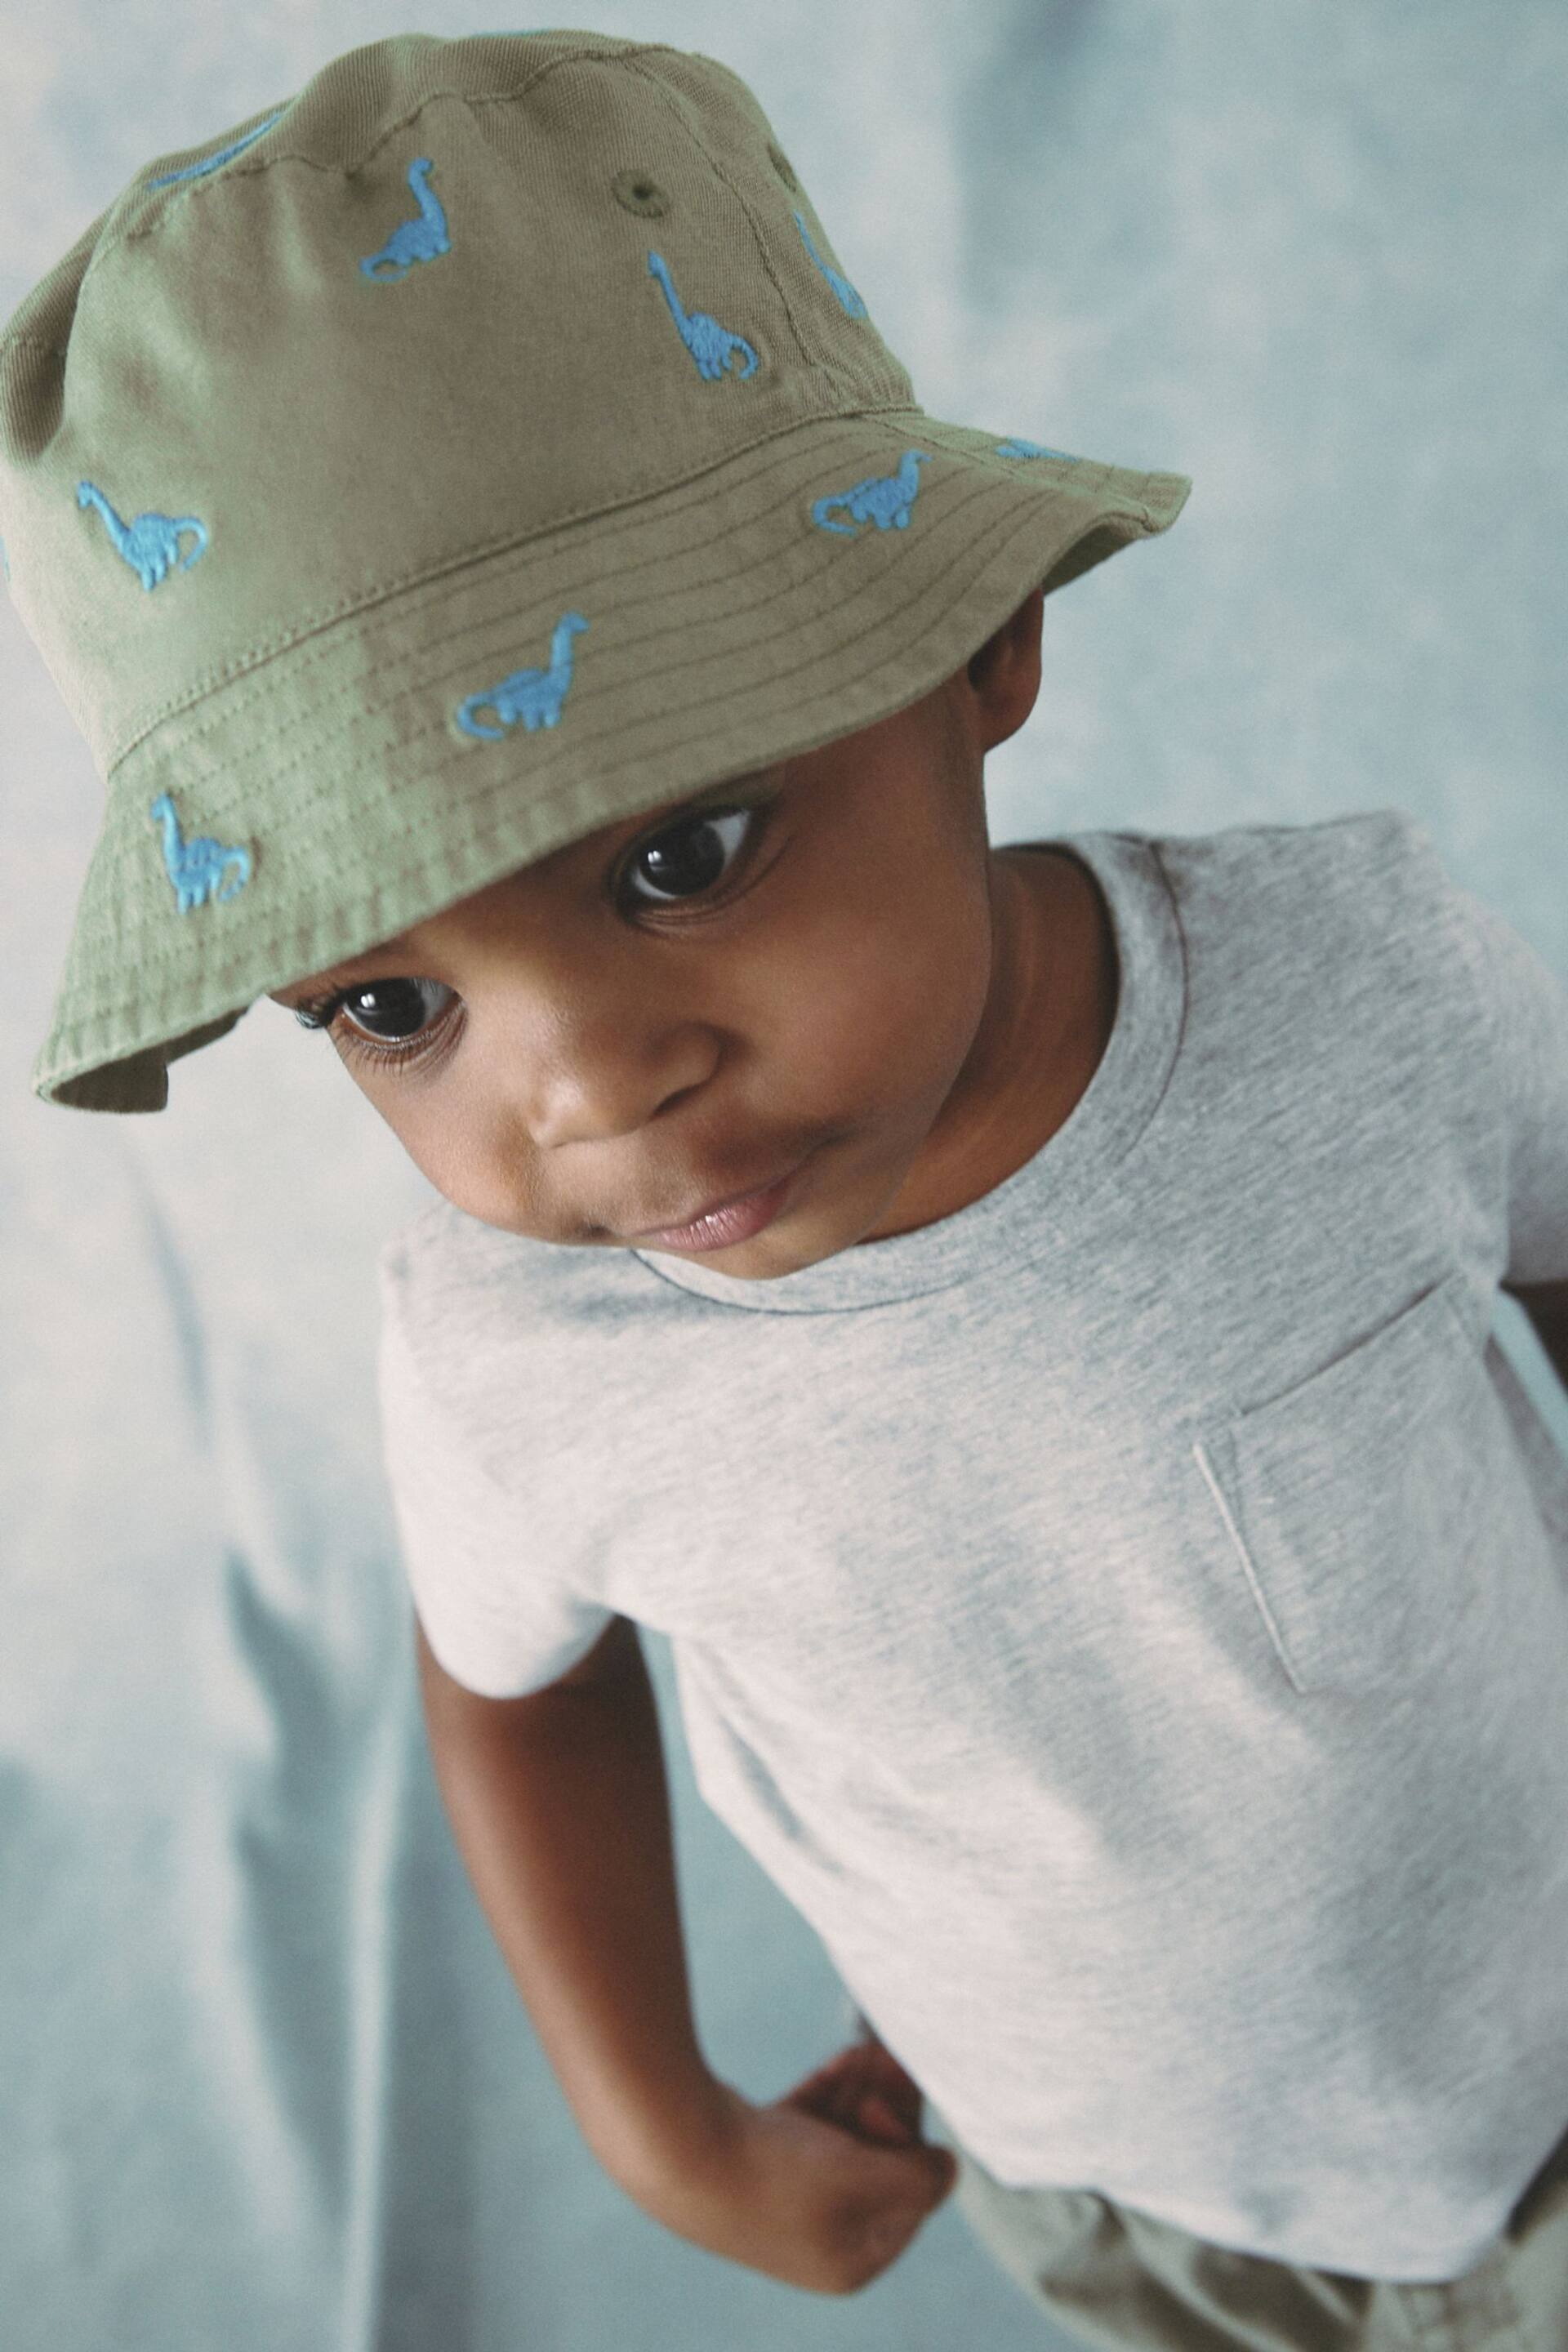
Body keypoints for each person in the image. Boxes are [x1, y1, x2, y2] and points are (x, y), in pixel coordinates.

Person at [6, 29, 1568, 2350]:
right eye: (389, 1008)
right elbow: (510, 1689)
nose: (590, 1094)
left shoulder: (1351, 987)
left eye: (681, 855)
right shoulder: (520, 1357)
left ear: (970, 644)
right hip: (1121, 2194)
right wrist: (659, 2119)